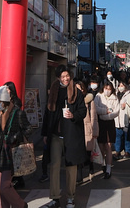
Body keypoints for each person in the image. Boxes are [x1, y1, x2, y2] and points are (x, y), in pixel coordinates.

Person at [40, 65, 86, 208]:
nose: (66, 79)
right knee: (54, 166)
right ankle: (55, 197)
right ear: (58, 77)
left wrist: (73, 115)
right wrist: (44, 133)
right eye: (63, 76)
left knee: (71, 166)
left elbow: (83, 111)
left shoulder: (76, 92)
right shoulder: (53, 91)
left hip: (71, 134)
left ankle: (71, 197)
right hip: (55, 135)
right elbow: (47, 113)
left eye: (67, 76)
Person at [0, 85, 30, 208]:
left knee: (4, 187)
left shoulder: (17, 113)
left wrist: (15, 136)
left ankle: (21, 205)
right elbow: (3, 133)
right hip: (2, 153)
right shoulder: (2, 113)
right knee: (0, 188)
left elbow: (28, 130)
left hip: (11, 153)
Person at [94, 80, 119, 179]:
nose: (107, 91)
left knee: (108, 146)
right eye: (106, 88)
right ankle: (103, 163)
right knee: (101, 145)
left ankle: (108, 168)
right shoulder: (98, 96)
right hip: (101, 123)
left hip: (110, 123)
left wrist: (109, 115)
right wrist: (106, 111)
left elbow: (116, 111)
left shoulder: (115, 98)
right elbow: (95, 108)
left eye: (109, 89)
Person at [80, 79, 99, 180]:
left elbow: (93, 117)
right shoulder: (72, 100)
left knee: (88, 151)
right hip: (78, 130)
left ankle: (91, 169)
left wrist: (94, 131)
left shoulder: (89, 100)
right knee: (79, 151)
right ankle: (79, 175)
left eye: (80, 88)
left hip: (87, 129)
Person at [113, 81, 130, 160]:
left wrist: (126, 105)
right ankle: (117, 151)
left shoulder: (129, 95)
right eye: (119, 85)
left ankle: (128, 151)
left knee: (126, 136)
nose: (121, 87)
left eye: (122, 85)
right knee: (117, 136)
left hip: (125, 118)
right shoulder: (115, 95)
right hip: (117, 118)